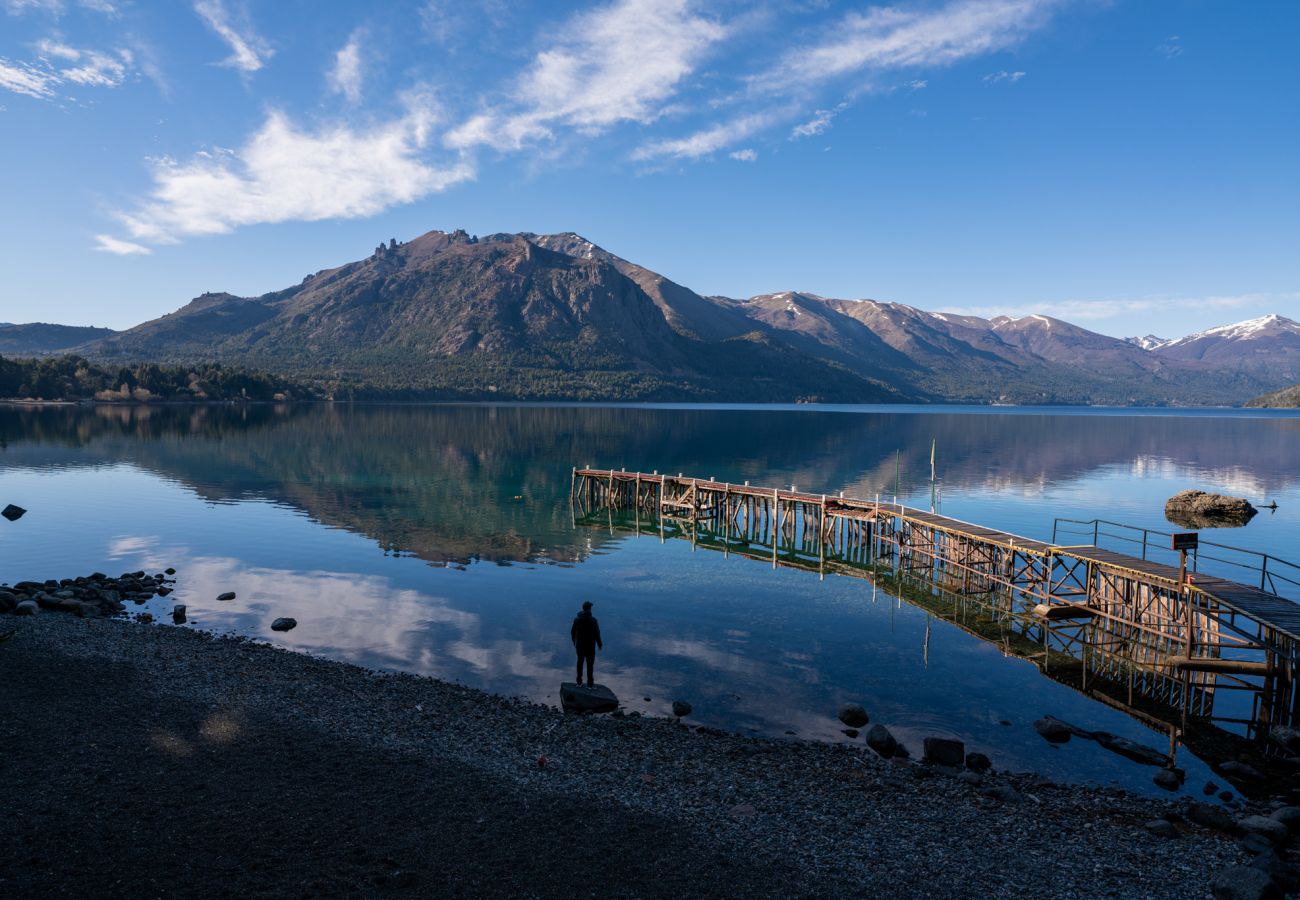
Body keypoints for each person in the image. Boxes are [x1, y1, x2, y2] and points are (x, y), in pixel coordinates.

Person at [570, 600, 603, 687]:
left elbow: (572, 632)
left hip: (580, 646)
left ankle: (579, 682)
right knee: (590, 666)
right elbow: (597, 634)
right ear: (589, 609)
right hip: (590, 647)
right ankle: (590, 685)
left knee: (579, 663)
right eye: (591, 608)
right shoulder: (593, 620)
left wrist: (574, 641)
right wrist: (600, 644)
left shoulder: (577, 619)